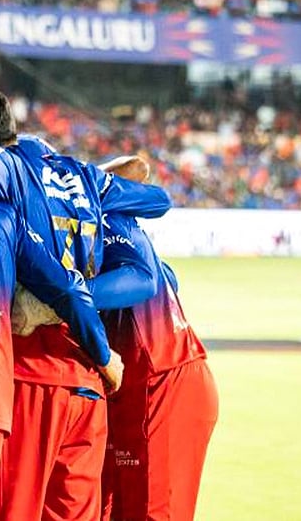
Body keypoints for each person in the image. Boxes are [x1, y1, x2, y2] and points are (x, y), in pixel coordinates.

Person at [0, 88, 170, 521]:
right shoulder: (81, 175)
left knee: (13, 509)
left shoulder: (3, 166)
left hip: (30, 374)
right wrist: (92, 186)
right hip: (87, 382)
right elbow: (158, 200)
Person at [93, 158, 218, 521]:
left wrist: (67, 295)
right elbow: (169, 279)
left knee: (149, 513)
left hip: (161, 377)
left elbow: (144, 278)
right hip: (136, 383)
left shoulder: (102, 216)